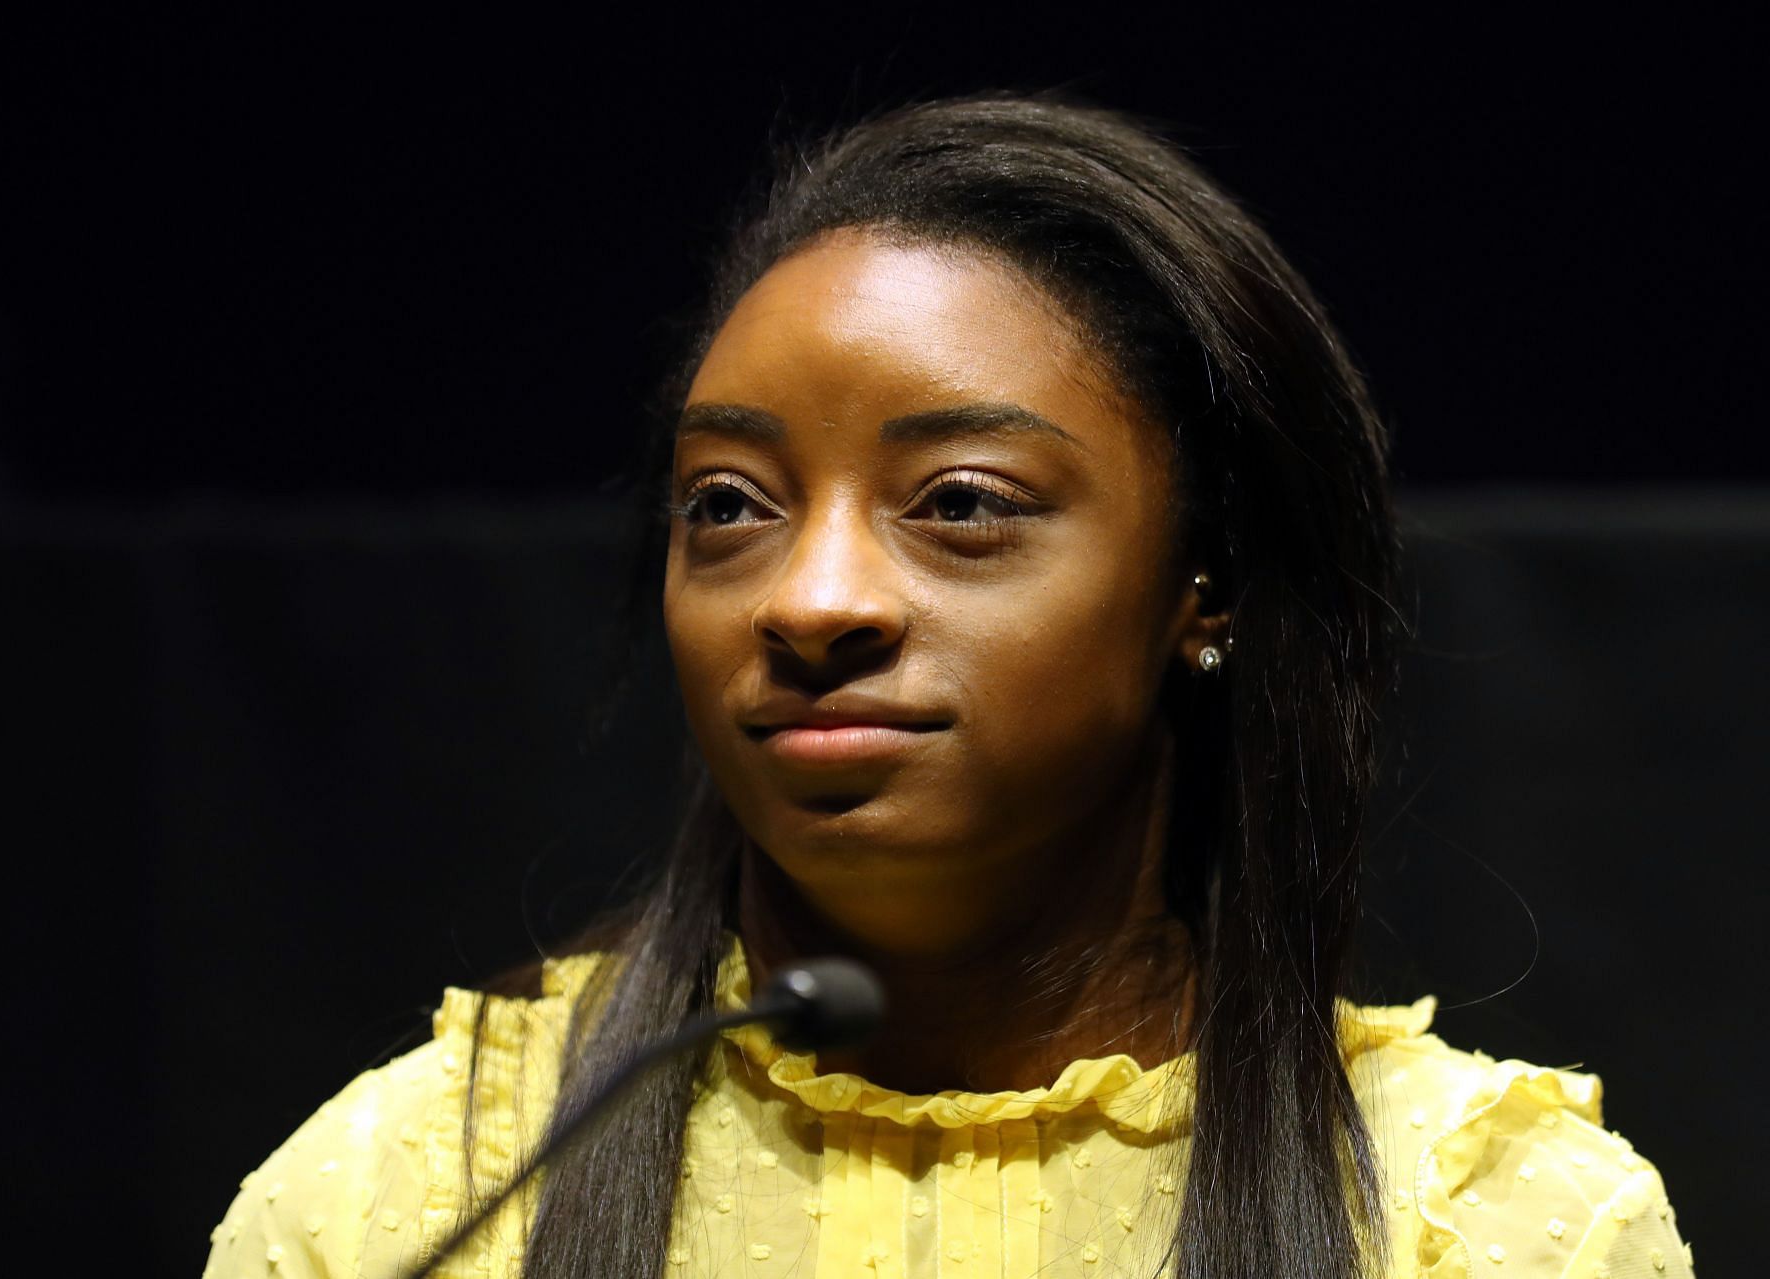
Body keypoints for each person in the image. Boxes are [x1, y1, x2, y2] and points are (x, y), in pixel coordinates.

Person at [202, 91, 1696, 1279]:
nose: (812, 598)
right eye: (728, 503)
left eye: (963, 504)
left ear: (1209, 585)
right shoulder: (412, 1196)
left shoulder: (1485, 1225)